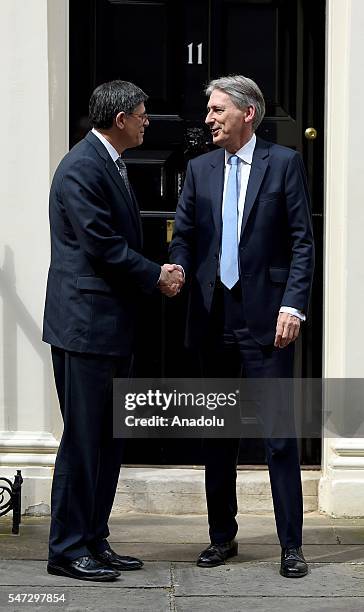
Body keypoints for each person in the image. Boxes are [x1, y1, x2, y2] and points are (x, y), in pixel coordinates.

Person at [169, 75, 314, 578]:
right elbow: (184, 236)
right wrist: (179, 268)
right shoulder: (200, 169)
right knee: (218, 436)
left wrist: (293, 307)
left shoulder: (285, 164)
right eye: (209, 110)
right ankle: (221, 537)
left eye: (217, 110)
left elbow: (302, 242)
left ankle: (291, 546)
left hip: (268, 322)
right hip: (214, 319)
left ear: (247, 113)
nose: (208, 118)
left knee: (278, 436)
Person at [43, 80, 183, 581]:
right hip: (85, 327)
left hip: (110, 326)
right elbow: (101, 245)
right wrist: (156, 275)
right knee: (84, 440)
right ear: (120, 118)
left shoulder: (109, 161)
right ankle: (65, 548)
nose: (149, 122)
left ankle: (94, 538)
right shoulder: (82, 166)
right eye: (143, 115)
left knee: (108, 440)